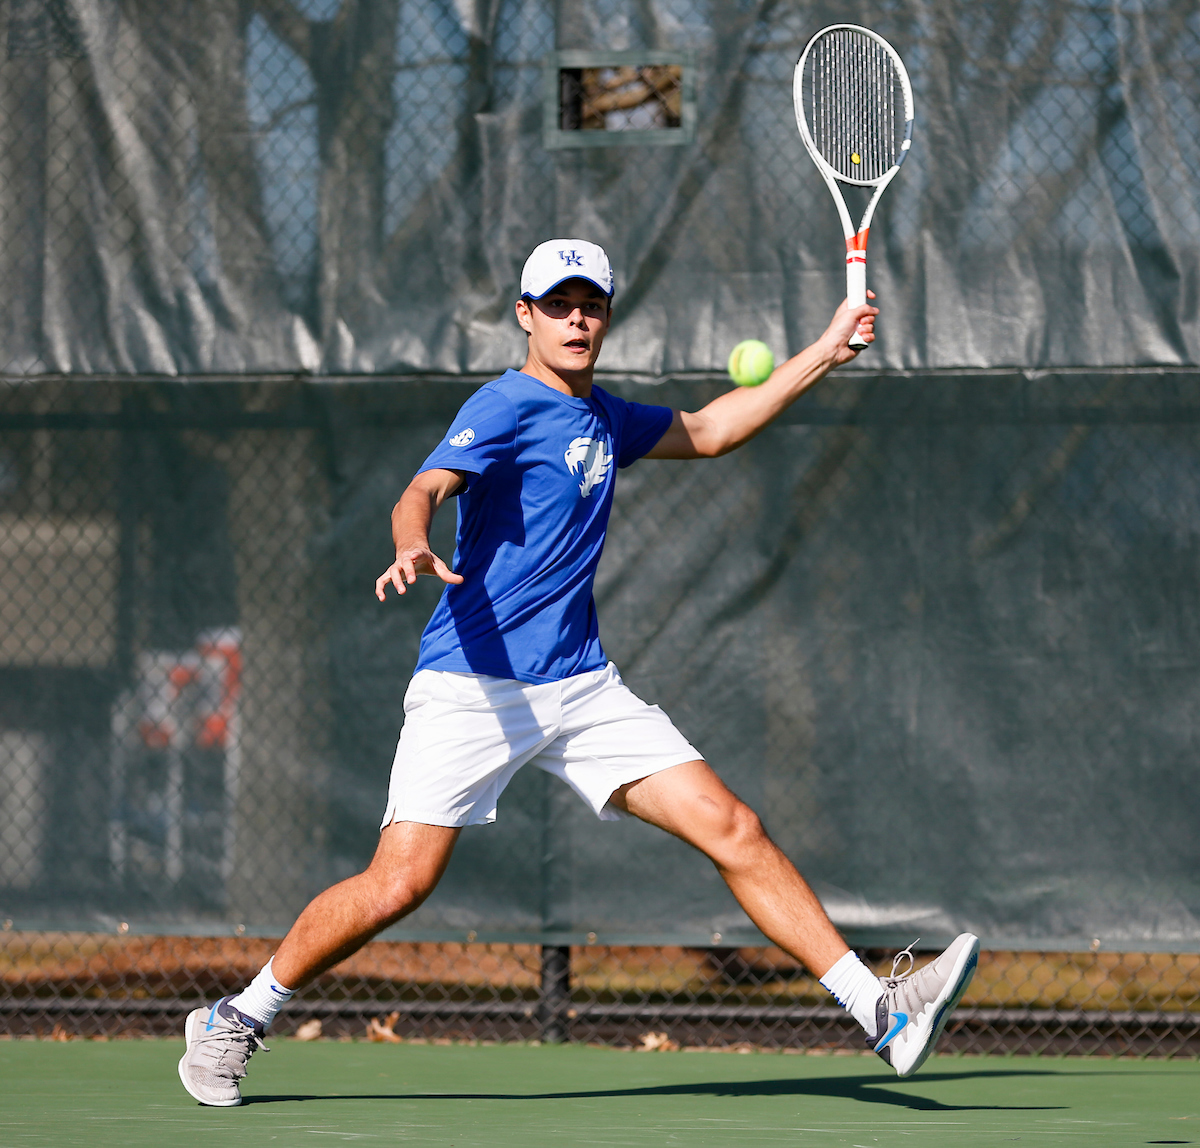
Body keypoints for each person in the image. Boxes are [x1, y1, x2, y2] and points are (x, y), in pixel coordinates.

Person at [178, 239, 978, 1107]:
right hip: (473, 684)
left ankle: (880, 1012)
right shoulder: (506, 403)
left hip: (581, 688)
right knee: (398, 884)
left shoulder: (607, 417)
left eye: (589, 304)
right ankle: (237, 1017)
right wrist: (412, 538)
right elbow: (426, 486)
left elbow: (711, 430)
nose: (575, 319)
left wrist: (825, 349)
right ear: (525, 316)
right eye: (556, 305)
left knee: (733, 826)